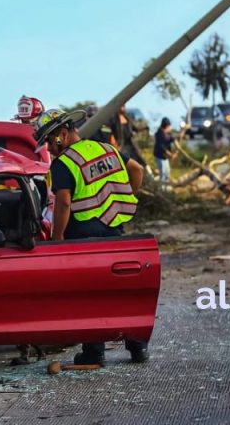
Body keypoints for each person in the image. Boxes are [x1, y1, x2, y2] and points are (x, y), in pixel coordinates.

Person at [33, 109, 148, 365]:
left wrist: (58, 237)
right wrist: (127, 196)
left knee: (91, 296)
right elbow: (137, 169)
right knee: (121, 293)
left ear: (62, 134)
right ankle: (138, 348)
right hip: (114, 232)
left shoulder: (64, 162)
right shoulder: (106, 149)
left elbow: (63, 203)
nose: (50, 149)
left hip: (84, 240)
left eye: (50, 142)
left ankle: (94, 352)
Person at [108, 104, 148, 169]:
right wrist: (114, 143)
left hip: (130, 143)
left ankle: (148, 172)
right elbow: (111, 132)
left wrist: (144, 128)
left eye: (124, 106)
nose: (123, 108)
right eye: (121, 106)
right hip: (121, 145)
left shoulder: (127, 118)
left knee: (139, 158)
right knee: (123, 161)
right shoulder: (114, 120)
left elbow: (135, 128)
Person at [153, 117, 176, 188]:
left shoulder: (168, 134)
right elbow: (161, 147)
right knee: (162, 174)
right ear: (166, 126)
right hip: (160, 157)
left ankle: (167, 189)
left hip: (165, 158)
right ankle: (162, 190)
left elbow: (172, 139)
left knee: (167, 173)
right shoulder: (159, 134)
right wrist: (171, 155)